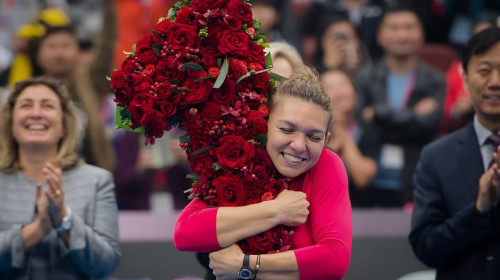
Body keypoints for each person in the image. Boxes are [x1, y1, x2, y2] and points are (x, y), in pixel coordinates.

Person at [174, 66, 352, 279]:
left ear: (326, 139)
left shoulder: (327, 164)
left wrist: (247, 266)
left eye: (314, 137)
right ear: (265, 123)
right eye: (287, 129)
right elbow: (185, 234)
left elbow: (334, 261)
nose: (298, 145)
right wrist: (276, 210)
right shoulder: (239, 156)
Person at [0, 77, 120, 279]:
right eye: (26, 105)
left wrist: (64, 220)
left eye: (47, 106)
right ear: (11, 122)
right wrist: (37, 230)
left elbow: (106, 265)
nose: (36, 114)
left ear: (64, 124)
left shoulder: (97, 181)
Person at [409, 27, 500, 279]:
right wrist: (479, 209)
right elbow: (426, 248)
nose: (495, 81)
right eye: (484, 71)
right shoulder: (437, 157)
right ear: (466, 80)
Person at [356, 5, 446, 207]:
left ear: (421, 34)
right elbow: (364, 123)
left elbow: (430, 124)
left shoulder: (435, 79)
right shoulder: (366, 77)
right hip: (372, 177)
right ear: (380, 35)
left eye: (409, 27)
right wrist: (413, 115)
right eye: (394, 28)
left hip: (419, 176)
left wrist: (380, 114)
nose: (402, 34)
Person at [322, 69, 377, 206]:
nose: (339, 92)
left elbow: (362, 178)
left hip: (361, 212)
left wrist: (342, 133)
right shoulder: (313, 131)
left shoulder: (367, 129)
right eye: (330, 88)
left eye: (343, 85)